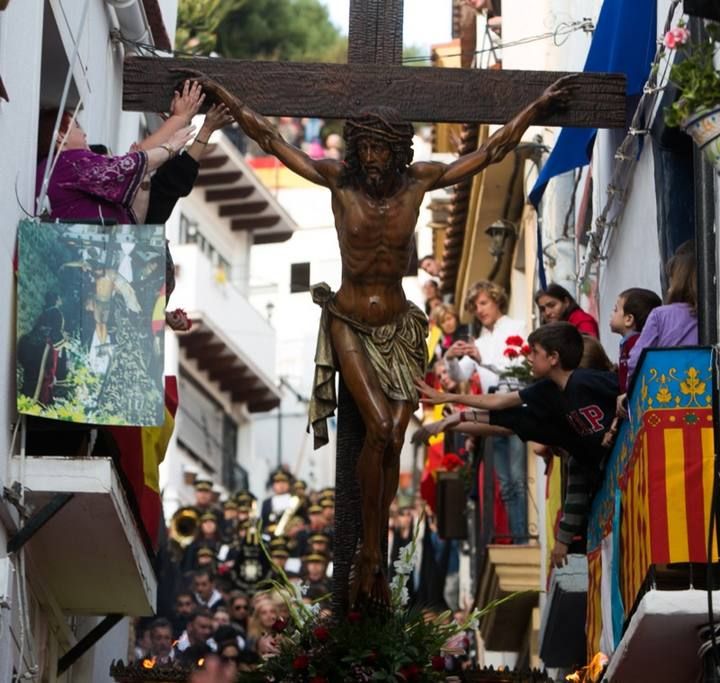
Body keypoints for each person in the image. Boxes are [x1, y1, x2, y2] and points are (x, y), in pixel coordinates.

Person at [194, 73, 575, 603]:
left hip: (399, 327)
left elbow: (491, 152)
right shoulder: (337, 181)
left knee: (394, 435)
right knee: (376, 425)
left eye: (381, 151)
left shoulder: (417, 183)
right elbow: (271, 140)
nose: (372, 160)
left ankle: (376, 546)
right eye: (365, 149)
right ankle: (369, 552)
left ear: (399, 154)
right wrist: (230, 99)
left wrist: (534, 107)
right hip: (349, 321)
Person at [415, 323, 619, 565]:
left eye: (534, 352)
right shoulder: (550, 398)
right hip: (607, 491)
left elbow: (624, 386)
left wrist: (616, 421)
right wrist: (451, 410)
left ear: (554, 358)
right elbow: (503, 412)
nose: (528, 357)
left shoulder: (585, 381)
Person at [444, 280, 528, 543]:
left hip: (515, 406)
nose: (479, 310)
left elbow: (519, 370)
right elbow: (460, 375)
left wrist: (483, 360)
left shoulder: (516, 327)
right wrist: (449, 358)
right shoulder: (480, 340)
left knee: (516, 479)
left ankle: (523, 538)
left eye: (483, 303)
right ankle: (517, 538)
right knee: (505, 484)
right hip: (494, 410)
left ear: (496, 300)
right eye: (475, 306)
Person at [627, 246, 698, 381]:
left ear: (676, 282)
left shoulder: (660, 315)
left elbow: (635, 362)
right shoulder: (711, 314)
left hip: (668, 394)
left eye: (671, 280)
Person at [608, 288, 662, 392]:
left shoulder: (635, 343)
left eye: (615, 310)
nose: (611, 313)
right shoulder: (628, 342)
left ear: (628, 319)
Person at [535, 283, 599, 338]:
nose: (547, 313)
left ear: (566, 302)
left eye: (552, 305)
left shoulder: (583, 321)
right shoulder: (551, 329)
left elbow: (589, 351)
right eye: (542, 309)